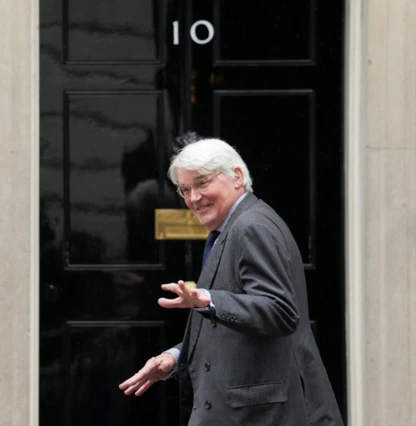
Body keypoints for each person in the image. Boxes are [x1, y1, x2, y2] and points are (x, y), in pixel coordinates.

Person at [119, 138, 343, 425]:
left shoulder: (251, 227)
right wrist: (176, 356)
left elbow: (280, 311)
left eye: (202, 183)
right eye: (185, 189)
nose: (193, 198)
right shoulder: (232, 227)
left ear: (237, 176)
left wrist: (208, 299)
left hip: (263, 415)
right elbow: (234, 326)